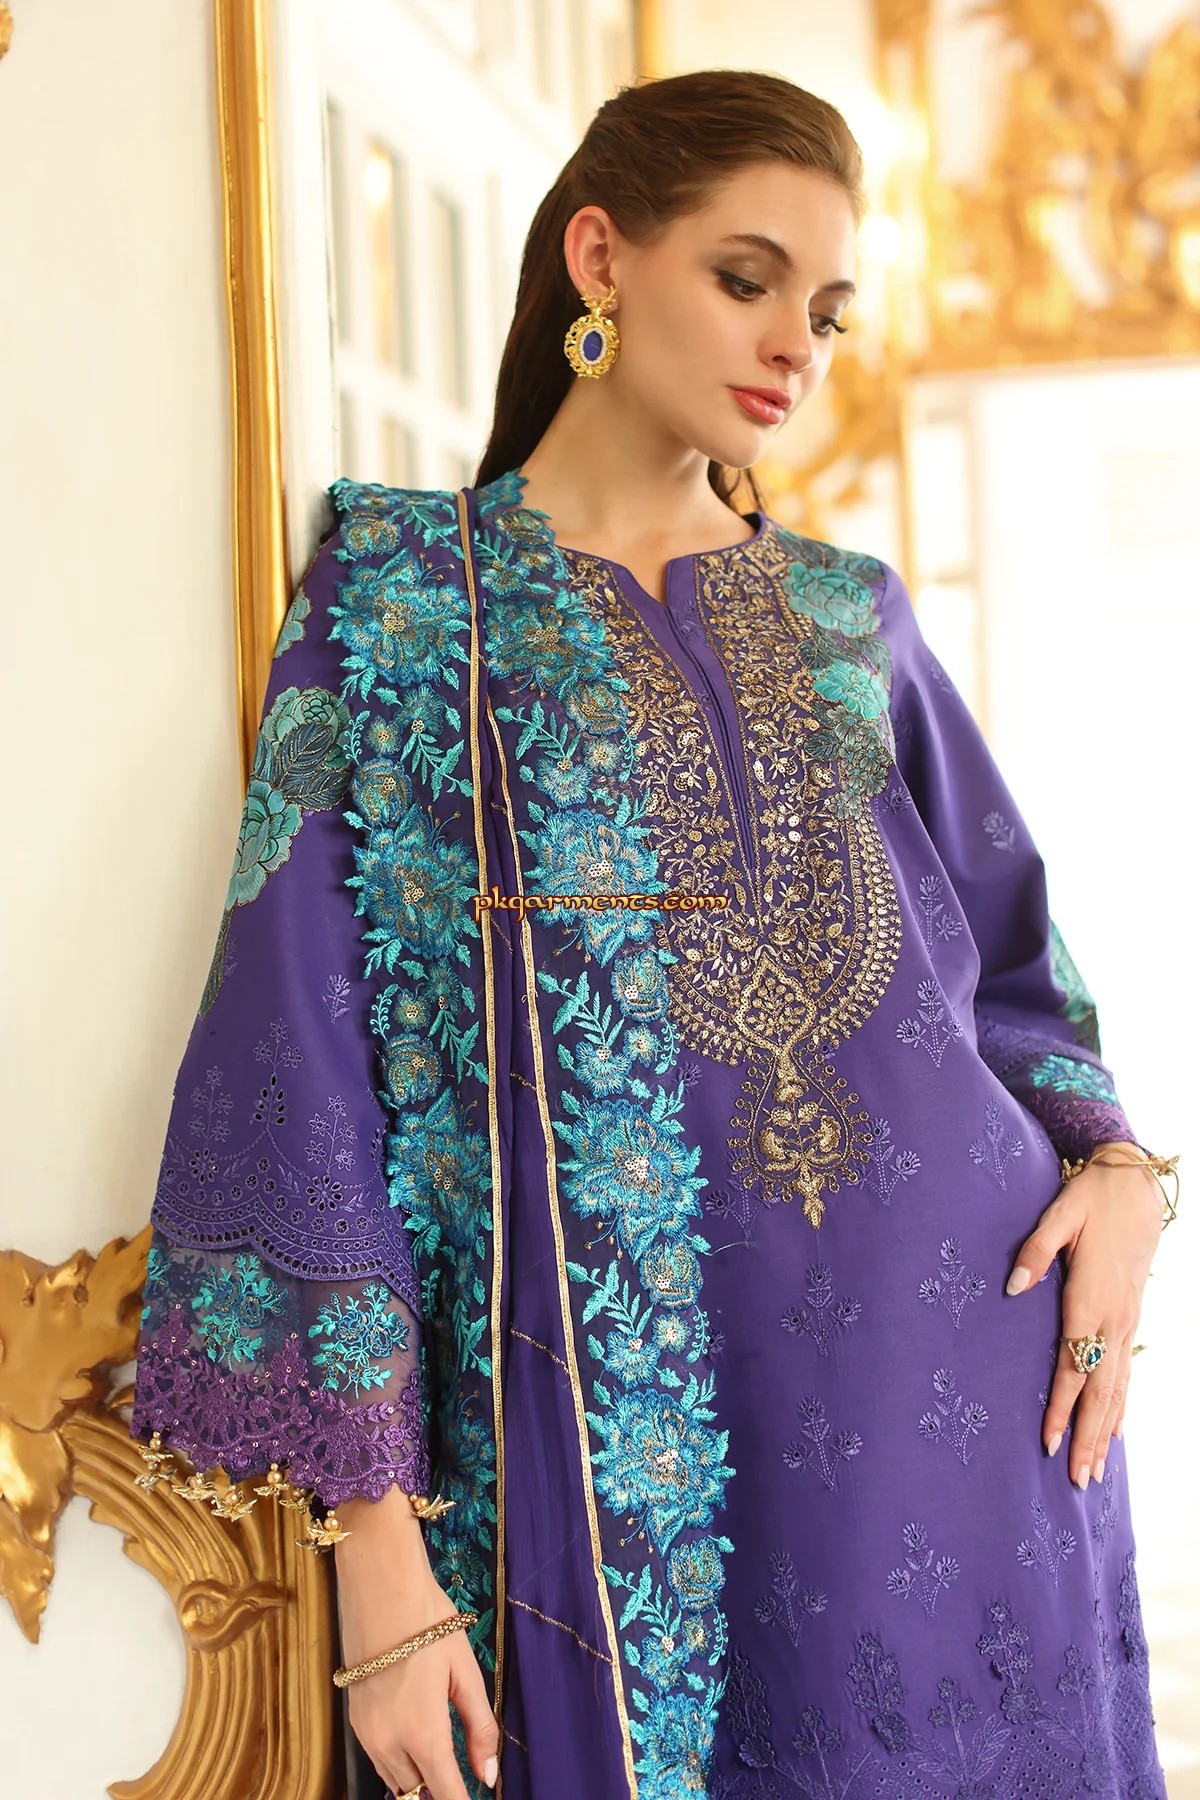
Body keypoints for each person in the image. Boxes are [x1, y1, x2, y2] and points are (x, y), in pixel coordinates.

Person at [129, 68, 1176, 1800]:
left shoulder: (847, 618)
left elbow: (1017, 975)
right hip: (623, 1473)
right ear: (602, 258)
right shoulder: (404, 604)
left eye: (826, 312)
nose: (794, 346)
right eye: (747, 279)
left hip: (987, 1429)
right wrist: (376, 1555)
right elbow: (294, 1062)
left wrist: (1127, 1176)